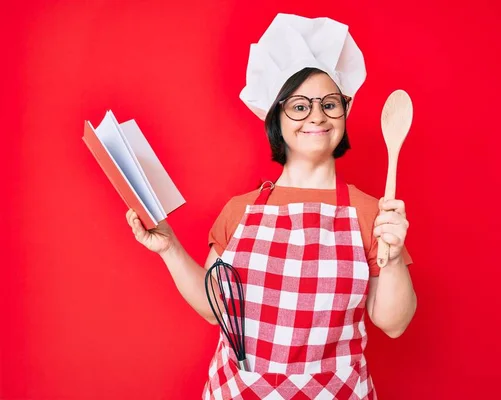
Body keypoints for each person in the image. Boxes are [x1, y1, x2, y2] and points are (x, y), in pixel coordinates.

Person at [125, 13, 416, 400]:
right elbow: (217, 311)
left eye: (330, 103)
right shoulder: (238, 211)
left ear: (344, 113)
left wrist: (393, 259)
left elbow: (393, 324)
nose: (317, 115)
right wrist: (169, 248)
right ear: (275, 116)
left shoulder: (374, 214)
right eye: (299, 105)